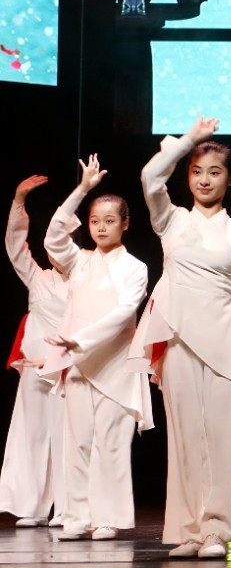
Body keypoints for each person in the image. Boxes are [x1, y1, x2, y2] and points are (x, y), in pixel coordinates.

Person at [135, 118, 231, 559]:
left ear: (230, 179)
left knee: (223, 435)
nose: (204, 180)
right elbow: (149, 176)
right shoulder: (172, 221)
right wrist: (189, 141)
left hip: (224, 338)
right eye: (197, 171)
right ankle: (189, 530)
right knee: (184, 436)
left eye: (214, 172)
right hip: (178, 336)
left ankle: (216, 529)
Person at [39, 156, 151, 542]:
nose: (101, 227)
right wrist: (82, 189)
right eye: (94, 221)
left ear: (125, 224)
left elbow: (124, 313)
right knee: (77, 443)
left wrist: (81, 339)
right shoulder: (80, 261)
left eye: (109, 220)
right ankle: (75, 516)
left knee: (112, 443)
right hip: (78, 363)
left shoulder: (135, 267)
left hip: (115, 364)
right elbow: (53, 237)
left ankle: (108, 517)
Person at [0, 175, 69, 527]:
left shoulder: (86, 281)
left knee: (66, 436)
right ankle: (32, 506)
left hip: (68, 367)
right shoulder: (38, 278)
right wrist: (19, 200)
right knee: (31, 433)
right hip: (34, 368)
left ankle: (68, 508)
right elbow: (15, 247)